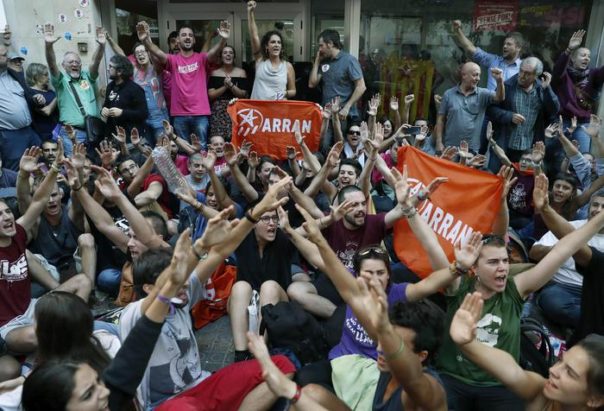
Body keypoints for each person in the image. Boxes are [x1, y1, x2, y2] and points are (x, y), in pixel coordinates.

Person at [119, 180, 296, 410]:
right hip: (167, 404)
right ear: (149, 289)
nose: (184, 284)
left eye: (183, 278)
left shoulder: (182, 298)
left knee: (283, 365)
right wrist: (119, 198)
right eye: (174, 281)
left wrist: (259, 210)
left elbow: (222, 250)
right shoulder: (134, 315)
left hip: (203, 384)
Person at [20, 231, 197, 411]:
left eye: (98, 383)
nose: (105, 392)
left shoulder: (105, 346)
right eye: (88, 393)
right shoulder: (41, 377)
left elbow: (143, 334)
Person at [0, 146, 91, 380]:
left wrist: (53, 168)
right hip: (10, 326)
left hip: (33, 308)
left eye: (7, 212)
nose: (7, 217)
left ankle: (56, 347)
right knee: (34, 336)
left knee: (82, 281)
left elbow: (39, 200)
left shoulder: (18, 232)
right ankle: (71, 340)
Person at [450, 292, 604, 411]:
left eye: (570, 373)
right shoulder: (542, 392)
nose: (553, 370)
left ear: (595, 399)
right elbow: (513, 372)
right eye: (560, 361)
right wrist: (468, 343)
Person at [136, 19, 231, 148]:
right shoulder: (173, 60)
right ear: (178, 41)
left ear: (194, 40)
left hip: (200, 113)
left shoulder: (201, 58)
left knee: (201, 150)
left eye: (190, 35)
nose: (187, 37)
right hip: (179, 114)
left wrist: (223, 40)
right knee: (182, 152)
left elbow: (213, 53)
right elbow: (158, 53)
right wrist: (145, 40)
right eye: (184, 35)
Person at [530, 182, 604, 330]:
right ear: (589, 207)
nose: (598, 210)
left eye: (603, 207)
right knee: (554, 304)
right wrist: (561, 248)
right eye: (595, 205)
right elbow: (534, 253)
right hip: (562, 288)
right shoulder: (569, 227)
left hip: (596, 291)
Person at [44, 24, 106, 157]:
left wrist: (101, 46)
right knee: (75, 165)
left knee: (94, 164)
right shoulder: (61, 81)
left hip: (93, 131)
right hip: (71, 133)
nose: (74, 64)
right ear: (63, 65)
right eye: (70, 62)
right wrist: (48, 45)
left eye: (77, 62)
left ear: (81, 65)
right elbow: (51, 64)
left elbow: (95, 62)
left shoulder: (88, 76)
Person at [487, 57, 560, 171]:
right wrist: (509, 116)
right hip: (504, 143)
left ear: (536, 75)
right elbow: (491, 109)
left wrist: (547, 89)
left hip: (528, 147)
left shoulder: (541, 88)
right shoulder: (508, 85)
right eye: (521, 71)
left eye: (527, 73)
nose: (522, 75)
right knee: (497, 176)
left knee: (524, 179)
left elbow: (554, 110)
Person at [309, 28, 366, 152]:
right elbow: (312, 84)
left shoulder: (349, 60)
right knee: (323, 147)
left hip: (343, 115)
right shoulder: (324, 61)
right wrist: (317, 62)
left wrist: (347, 107)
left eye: (321, 45)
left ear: (330, 44)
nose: (319, 49)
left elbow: (361, 86)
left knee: (341, 149)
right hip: (326, 115)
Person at [553, 29, 604, 154]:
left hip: (583, 123)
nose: (587, 58)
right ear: (573, 59)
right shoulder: (564, 74)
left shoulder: (593, 74)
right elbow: (558, 70)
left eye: (588, 56)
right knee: (558, 156)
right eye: (583, 55)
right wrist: (569, 50)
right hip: (564, 121)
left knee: (583, 156)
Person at [435, 62, 505, 153]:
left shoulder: (483, 94)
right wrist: (439, 142)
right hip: (450, 147)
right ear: (464, 75)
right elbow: (440, 119)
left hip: (471, 149)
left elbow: (500, 98)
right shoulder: (449, 94)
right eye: (475, 75)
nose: (478, 78)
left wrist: (499, 81)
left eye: (479, 75)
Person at [0, 44, 44, 171]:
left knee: (40, 166)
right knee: (17, 171)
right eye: (4, 55)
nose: (8, 57)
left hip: (30, 131)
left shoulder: (14, 75)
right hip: (10, 136)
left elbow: (27, 94)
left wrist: (35, 98)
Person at [451, 20, 523, 92]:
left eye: (509, 44)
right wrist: (458, 30)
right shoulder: (493, 60)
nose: (504, 46)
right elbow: (470, 48)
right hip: (491, 99)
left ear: (518, 48)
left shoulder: (523, 68)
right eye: (504, 44)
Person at [247, 1, 295, 101]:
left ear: (281, 47)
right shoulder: (260, 61)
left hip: (277, 109)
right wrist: (250, 13)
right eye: (273, 42)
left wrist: (284, 93)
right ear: (266, 46)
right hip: (258, 108)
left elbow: (293, 90)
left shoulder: (288, 66)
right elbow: (254, 36)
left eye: (279, 42)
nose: (276, 44)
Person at [208, 45, 248, 140]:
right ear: (221, 57)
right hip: (218, 111)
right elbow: (211, 95)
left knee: (235, 138)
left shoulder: (241, 73)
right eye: (225, 53)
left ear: (234, 57)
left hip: (235, 109)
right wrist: (225, 86)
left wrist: (231, 85)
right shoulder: (214, 73)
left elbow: (243, 94)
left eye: (231, 53)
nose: (228, 55)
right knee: (218, 139)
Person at [25, 63, 58, 142]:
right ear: (36, 76)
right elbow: (46, 111)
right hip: (42, 134)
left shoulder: (50, 92)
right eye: (45, 75)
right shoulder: (30, 92)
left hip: (56, 132)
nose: (48, 77)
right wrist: (59, 96)